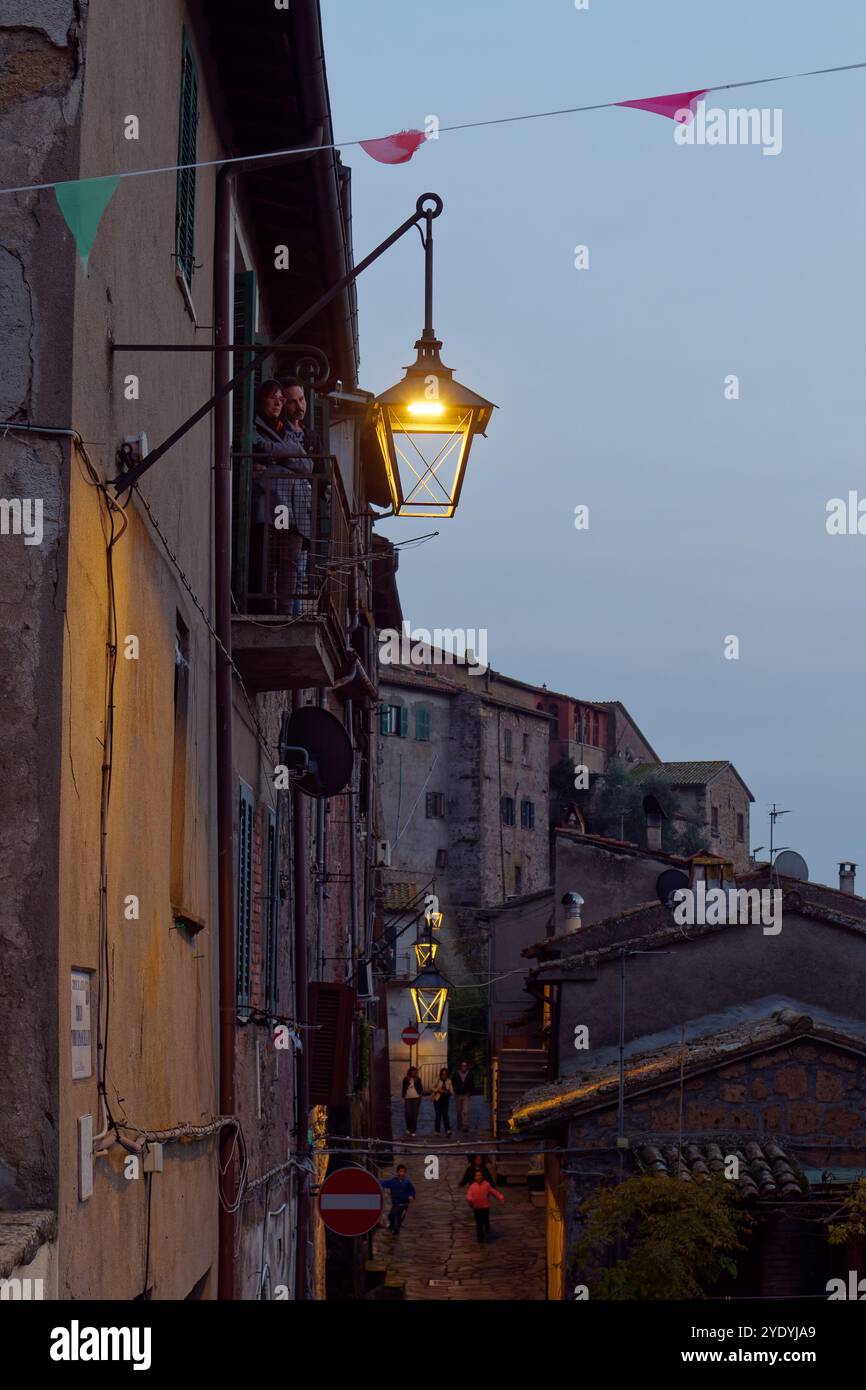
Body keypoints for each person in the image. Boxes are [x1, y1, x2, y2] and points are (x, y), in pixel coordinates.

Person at [252, 379, 313, 612]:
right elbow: (260, 448)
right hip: (271, 503)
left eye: (281, 399)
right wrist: (292, 455)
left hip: (294, 508)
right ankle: (265, 610)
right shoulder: (254, 425)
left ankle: (286, 612)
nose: (278, 402)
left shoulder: (287, 429)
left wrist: (279, 461)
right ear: (262, 400)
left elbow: (307, 466)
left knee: (290, 562)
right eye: (273, 397)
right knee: (267, 559)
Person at [466, 1167, 505, 1243]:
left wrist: (500, 1197)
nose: (478, 1177)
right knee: (479, 1224)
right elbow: (469, 1195)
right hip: (476, 1208)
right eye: (477, 1176)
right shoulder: (472, 1186)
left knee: (485, 1221)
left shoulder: (487, 1185)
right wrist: (470, 1199)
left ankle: (487, 1231)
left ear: (482, 1176)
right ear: (474, 1177)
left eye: (480, 1175)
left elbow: (494, 1192)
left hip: (485, 1207)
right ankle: (480, 1238)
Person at [381, 1164, 416, 1235]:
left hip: (404, 1204)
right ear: (397, 1172)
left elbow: (412, 1190)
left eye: (403, 1172)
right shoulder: (393, 1181)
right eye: (400, 1171)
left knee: (400, 1219)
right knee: (391, 1215)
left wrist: (412, 1196)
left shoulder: (407, 1181)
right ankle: (391, 1226)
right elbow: (383, 1183)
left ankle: (396, 1231)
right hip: (396, 1204)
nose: (401, 1173)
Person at [452, 1059, 474, 1132]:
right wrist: (455, 1090)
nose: (463, 1067)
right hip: (458, 1095)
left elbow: (472, 1084)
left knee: (465, 1111)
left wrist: (469, 1092)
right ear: (460, 1067)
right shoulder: (456, 1074)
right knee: (458, 1111)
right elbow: (453, 1083)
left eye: (465, 1066)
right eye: (462, 1066)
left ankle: (465, 1126)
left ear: (467, 1067)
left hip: (466, 1095)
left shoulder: (470, 1075)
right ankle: (459, 1125)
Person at [431, 1067, 454, 1137]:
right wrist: (438, 1090)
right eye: (442, 1074)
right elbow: (432, 1087)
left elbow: (452, 1091)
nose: (444, 1075)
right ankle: (437, 1130)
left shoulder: (449, 1081)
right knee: (438, 1115)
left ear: (447, 1074)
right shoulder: (437, 1080)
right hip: (437, 1099)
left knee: (445, 1115)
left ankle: (448, 1130)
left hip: (445, 1100)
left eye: (445, 1074)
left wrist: (449, 1092)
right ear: (441, 1074)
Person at [401, 1066, 423, 1135]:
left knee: (414, 1115)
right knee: (408, 1114)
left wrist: (420, 1094)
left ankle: (413, 1130)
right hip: (408, 1098)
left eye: (414, 1072)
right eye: (412, 1072)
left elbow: (420, 1088)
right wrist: (402, 1097)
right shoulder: (405, 1079)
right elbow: (403, 1089)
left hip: (416, 1098)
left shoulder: (418, 1079)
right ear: (409, 1072)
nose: (413, 1074)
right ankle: (408, 1128)